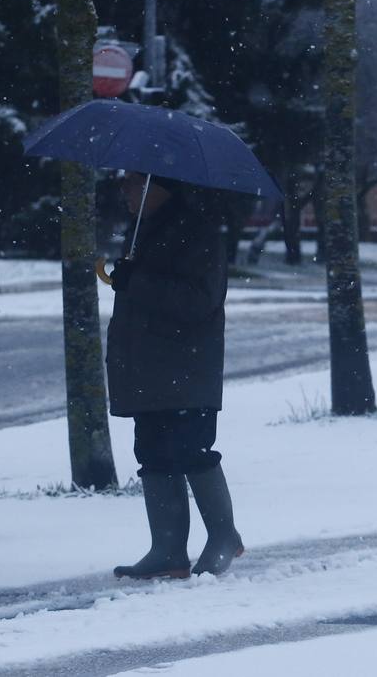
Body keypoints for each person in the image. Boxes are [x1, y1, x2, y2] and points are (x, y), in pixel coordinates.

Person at [105, 172, 244, 579]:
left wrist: (138, 282)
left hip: (186, 367)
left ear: (158, 188)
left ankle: (223, 535)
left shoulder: (196, 232)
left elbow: (198, 301)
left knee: (192, 450)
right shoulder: (143, 231)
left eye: (132, 183)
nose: (124, 190)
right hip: (148, 368)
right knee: (152, 453)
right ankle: (167, 549)